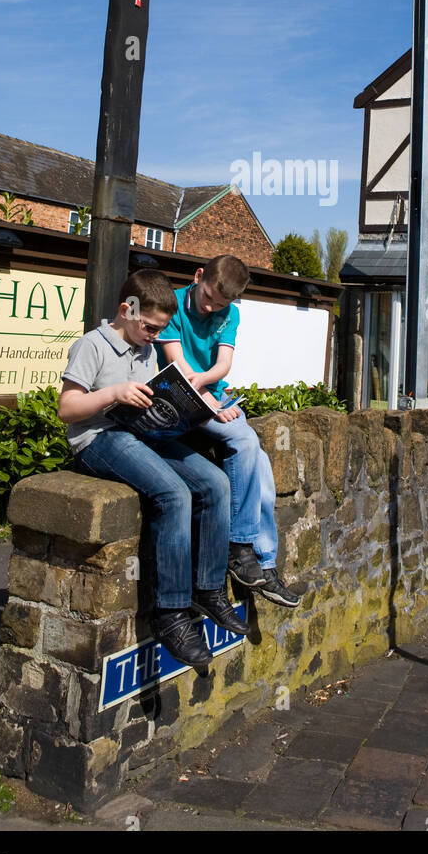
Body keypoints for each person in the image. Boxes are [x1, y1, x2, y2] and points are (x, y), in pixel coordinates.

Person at [57, 268, 245, 669]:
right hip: (99, 439)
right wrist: (113, 393)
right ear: (127, 310)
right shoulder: (93, 344)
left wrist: (196, 411)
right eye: (150, 327)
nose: (155, 336)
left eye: (160, 329)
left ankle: (209, 589)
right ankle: (171, 614)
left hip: (140, 433)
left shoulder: (145, 348)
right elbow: (67, 409)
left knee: (214, 483)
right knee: (174, 494)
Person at [155, 254, 302, 608]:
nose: (210, 309)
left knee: (261, 466)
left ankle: (263, 564)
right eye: (208, 298)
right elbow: (179, 366)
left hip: (208, 396)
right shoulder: (170, 304)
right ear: (198, 275)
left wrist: (212, 395)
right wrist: (209, 400)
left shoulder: (229, 313)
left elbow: (223, 365)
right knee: (246, 439)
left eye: (220, 305)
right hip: (177, 398)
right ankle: (241, 549)